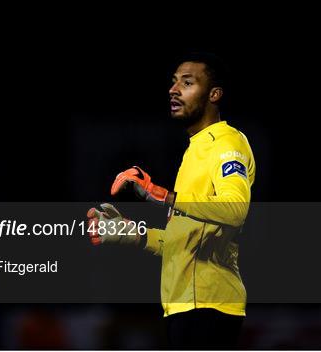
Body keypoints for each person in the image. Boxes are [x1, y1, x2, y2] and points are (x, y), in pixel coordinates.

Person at [87, 52, 256, 349]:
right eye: (174, 82)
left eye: (187, 83)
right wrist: (135, 236)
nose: (173, 89)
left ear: (214, 94)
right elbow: (186, 242)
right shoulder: (194, 151)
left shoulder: (226, 143)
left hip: (209, 306)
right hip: (184, 307)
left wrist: (164, 196)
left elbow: (236, 209)